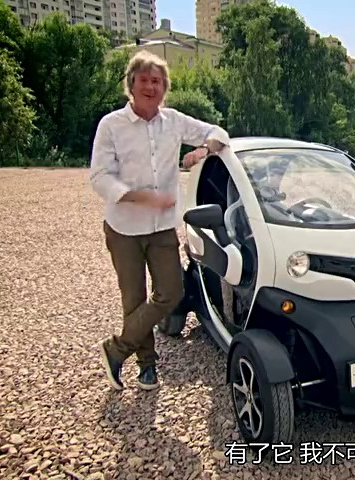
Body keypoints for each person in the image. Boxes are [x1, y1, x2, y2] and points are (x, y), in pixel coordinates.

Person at [89, 50, 230, 391]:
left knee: (171, 292)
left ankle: (116, 348)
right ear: (131, 84)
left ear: (164, 87)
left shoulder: (174, 121)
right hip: (123, 228)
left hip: (163, 226)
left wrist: (204, 150)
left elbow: (218, 132)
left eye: (157, 81)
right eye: (144, 80)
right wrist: (140, 197)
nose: (150, 87)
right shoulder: (111, 125)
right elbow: (100, 177)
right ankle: (147, 365)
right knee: (134, 299)